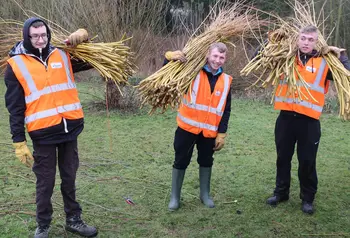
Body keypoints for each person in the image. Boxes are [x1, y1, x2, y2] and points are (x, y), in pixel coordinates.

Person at [4, 17, 97, 237]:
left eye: (43, 35)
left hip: (70, 128)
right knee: (45, 183)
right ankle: (43, 225)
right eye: (35, 36)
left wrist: (84, 38)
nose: (40, 40)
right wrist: (18, 140)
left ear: (48, 34)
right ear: (27, 36)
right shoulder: (16, 65)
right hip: (43, 133)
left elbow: (93, 60)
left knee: (70, 177)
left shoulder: (63, 54)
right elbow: (15, 107)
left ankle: (74, 220)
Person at [266, 25, 350, 214]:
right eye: (303, 38)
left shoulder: (325, 62)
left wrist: (342, 56)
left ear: (316, 42)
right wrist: (271, 41)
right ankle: (281, 193)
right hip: (286, 118)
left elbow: (346, 75)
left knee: (307, 161)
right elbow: (259, 58)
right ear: (297, 39)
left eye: (310, 39)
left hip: (309, 121)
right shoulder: (284, 57)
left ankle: (307, 198)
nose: (306, 42)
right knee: (282, 158)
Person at [165, 42, 232, 210]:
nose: (217, 60)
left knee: (206, 161)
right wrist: (169, 58)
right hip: (187, 128)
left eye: (221, 57)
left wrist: (222, 133)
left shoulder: (226, 81)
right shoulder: (192, 71)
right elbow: (167, 73)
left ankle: (205, 195)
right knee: (181, 160)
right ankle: (175, 198)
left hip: (209, 132)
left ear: (225, 59)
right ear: (208, 55)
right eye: (215, 56)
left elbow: (226, 109)